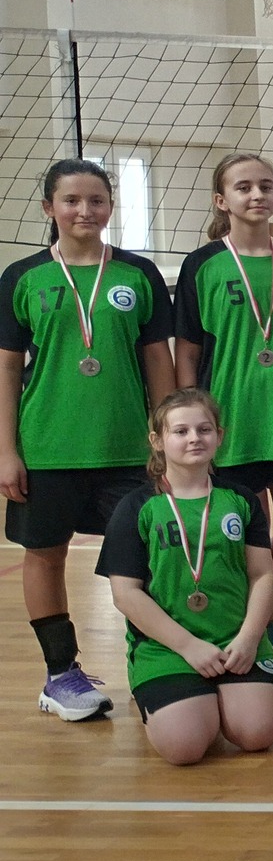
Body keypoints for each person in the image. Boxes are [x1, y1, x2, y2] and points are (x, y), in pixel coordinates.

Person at [0, 160, 174, 721]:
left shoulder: (138, 274)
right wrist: (6, 450)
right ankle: (61, 675)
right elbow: (6, 369)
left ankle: (157, 668)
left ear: (110, 207)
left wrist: (168, 442)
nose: (84, 210)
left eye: (96, 200)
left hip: (128, 449)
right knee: (44, 556)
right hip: (47, 447)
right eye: (71, 200)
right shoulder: (22, 278)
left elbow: (159, 362)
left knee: (151, 557)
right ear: (49, 208)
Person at [174, 152, 273, 669]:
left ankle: (257, 621)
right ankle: (262, 633)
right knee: (245, 545)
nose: (257, 195)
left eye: (266, 186)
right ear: (222, 200)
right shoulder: (202, 265)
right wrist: (190, 422)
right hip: (230, 428)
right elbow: (187, 350)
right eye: (243, 187)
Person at [96, 389, 273, 765]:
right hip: (168, 648)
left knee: (258, 734)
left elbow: (263, 575)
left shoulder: (241, 500)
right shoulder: (136, 507)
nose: (194, 438)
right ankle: (167, 695)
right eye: (180, 431)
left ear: (220, 435)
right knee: (184, 748)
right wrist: (188, 646)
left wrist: (250, 639)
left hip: (236, 642)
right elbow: (126, 594)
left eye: (204, 429)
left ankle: (218, 699)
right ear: (157, 441)